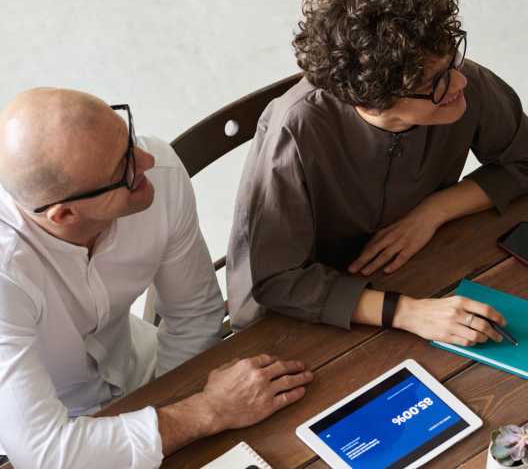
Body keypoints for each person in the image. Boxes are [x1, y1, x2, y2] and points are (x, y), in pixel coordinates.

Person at [227, 0, 528, 345]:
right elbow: (277, 280)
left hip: (413, 268)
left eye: (452, 61)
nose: (460, 82)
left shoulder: (464, 83)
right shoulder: (295, 130)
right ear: (372, 102)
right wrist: (407, 312)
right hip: (305, 310)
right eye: (434, 83)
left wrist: (433, 211)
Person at [0, 88, 313, 469]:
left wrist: (181, 415)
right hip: (34, 430)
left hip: (146, 369)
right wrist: (208, 411)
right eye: (123, 171)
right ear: (64, 215)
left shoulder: (158, 172)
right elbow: (45, 453)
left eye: (128, 139)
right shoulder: (6, 276)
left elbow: (195, 315)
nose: (146, 160)